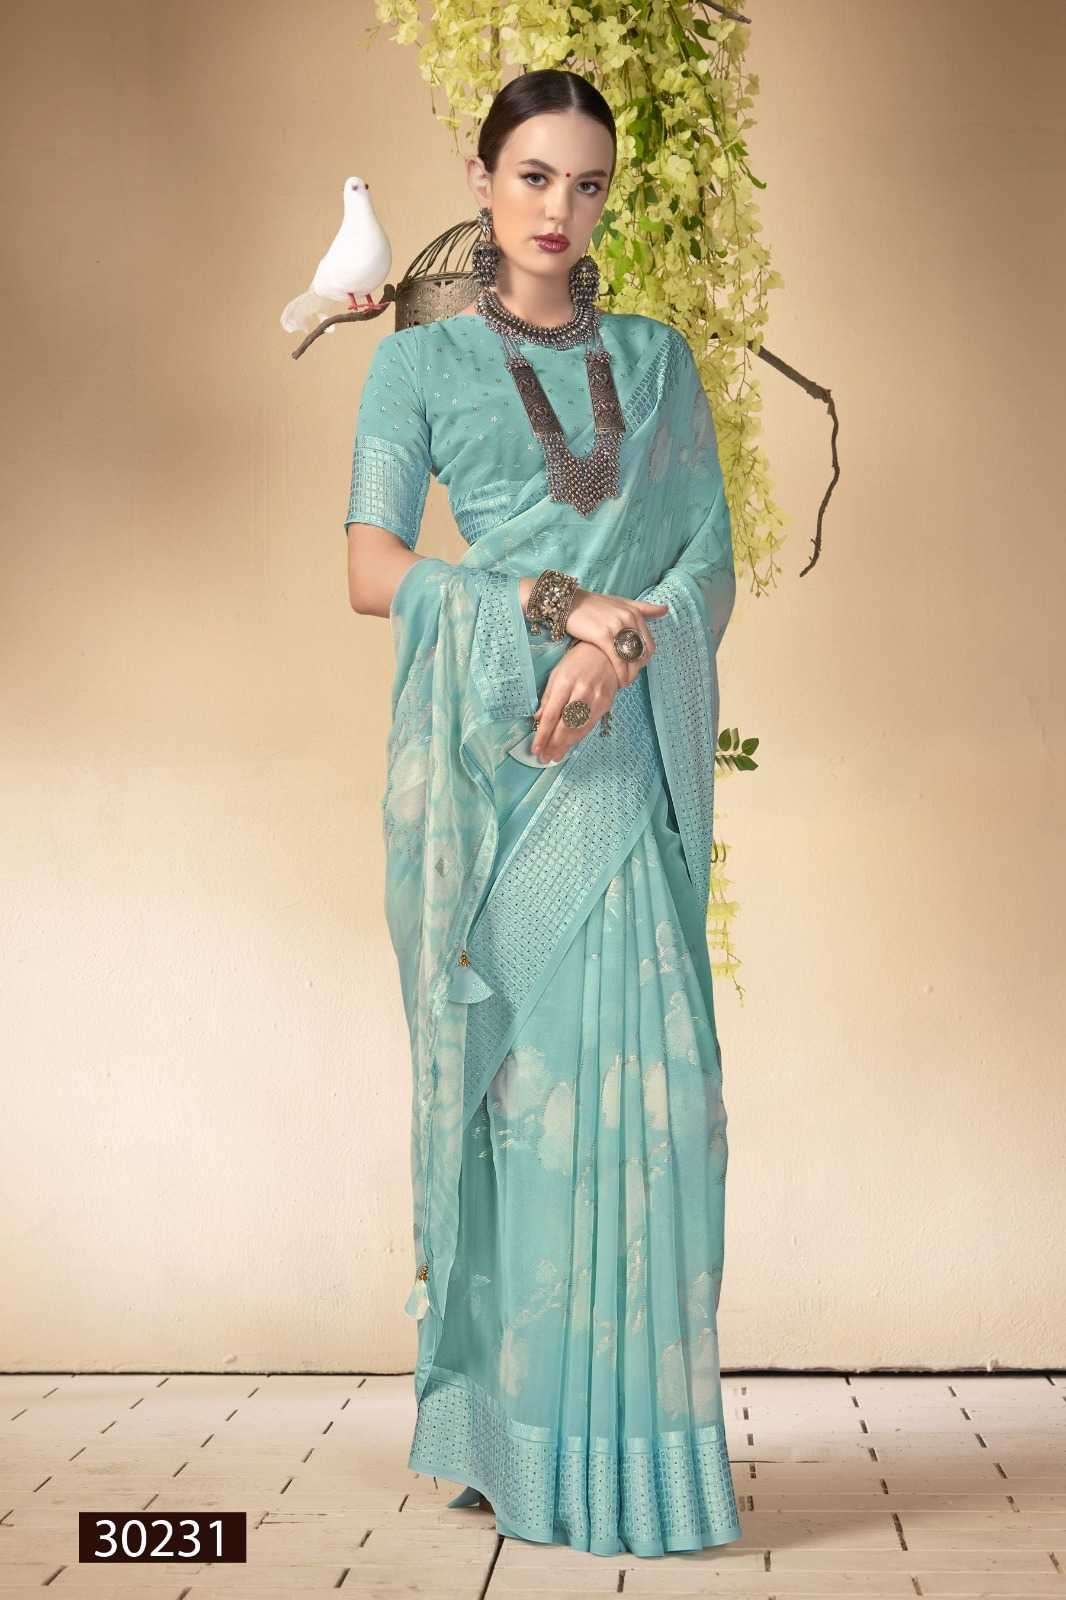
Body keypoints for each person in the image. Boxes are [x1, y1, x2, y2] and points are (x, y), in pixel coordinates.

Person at [344, 67, 741, 1558]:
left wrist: (619, 649)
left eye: (587, 185)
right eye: (532, 177)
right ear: (481, 176)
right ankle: (511, 1440)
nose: (558, 210)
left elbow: (703, 562)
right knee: (522, 1108)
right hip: (496, 773)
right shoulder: (417, 370)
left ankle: (634, 1454)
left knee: (653, 1109)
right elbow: (373, 568)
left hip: (620, 763)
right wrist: (550, 607)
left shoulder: (657, 362)